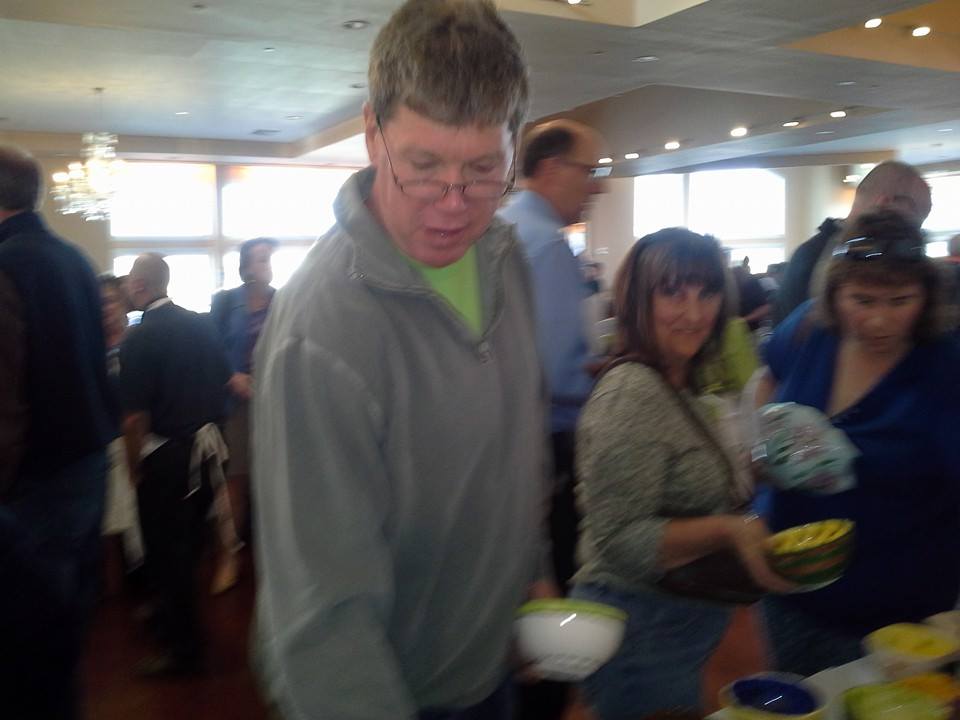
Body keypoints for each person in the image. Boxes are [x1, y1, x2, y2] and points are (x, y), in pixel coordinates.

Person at [251, 1, 550, 718]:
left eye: (484, 170)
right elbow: (323, 622)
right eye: (423, 167)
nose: (453, 205)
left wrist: (532, 573)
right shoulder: (319, 333)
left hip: (494, 667)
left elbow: (514, 447)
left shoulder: (505, 257)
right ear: (372, 133)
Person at [571, 228, 791, 720]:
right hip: (637, 625)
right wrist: (729, 529)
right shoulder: (632, 392)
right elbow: (619, 539)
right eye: (673, 293)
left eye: (706, 293)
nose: (694, 314)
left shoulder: (674, 381)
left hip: (669, 624)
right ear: (638, 300)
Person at [756, 210, 960, 677]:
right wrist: (765, 442)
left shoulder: (945, 371)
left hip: (893, 626)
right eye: (862, 300)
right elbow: (767, 380)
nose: (879, 320)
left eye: (900, 300)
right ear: (835, 292)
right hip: (786, 595)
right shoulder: (812, 330)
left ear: (927, 296)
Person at [0, 144, 114, 719]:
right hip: (88, 464)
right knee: (63, 633)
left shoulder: (5, 263)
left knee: (22, 649)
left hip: (33, 478)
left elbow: (5, 396)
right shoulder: (75, 259)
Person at [497, 119, 605, 720]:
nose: (595, 186)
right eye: (589, 171)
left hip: (499, 448)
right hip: (547, 447)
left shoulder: (501, 229)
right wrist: (606, 375)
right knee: (552, 611)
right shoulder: (546, 246)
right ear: (550, 168)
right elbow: (554, 375)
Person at [120, 253, 231, 675]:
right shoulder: (201, 325)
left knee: (166, 554)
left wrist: (133, 467)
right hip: (209, 451)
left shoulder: (139, 337)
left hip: (167, 459)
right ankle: (172, 619)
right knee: (189, 547)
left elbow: (134, 418)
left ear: (140, 285)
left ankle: (183, 650)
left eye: (129, 281)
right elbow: (224, 380)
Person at [775, 161, 932, 324]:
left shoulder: (819, 252)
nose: (914, 234)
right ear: (885, 204)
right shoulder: (820, 259)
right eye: (916, 221)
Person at [209, 236, 277, 594]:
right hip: (237, 403)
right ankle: (229, 557)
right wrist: (230, 375)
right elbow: (211, 346)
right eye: (261, 259)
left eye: (269, 259)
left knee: (274, 481)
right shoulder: (225, 302)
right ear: (246, 267)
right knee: (234, 481)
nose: (268, 266)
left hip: (274, 401)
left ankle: (274, 559)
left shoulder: (282, 300)